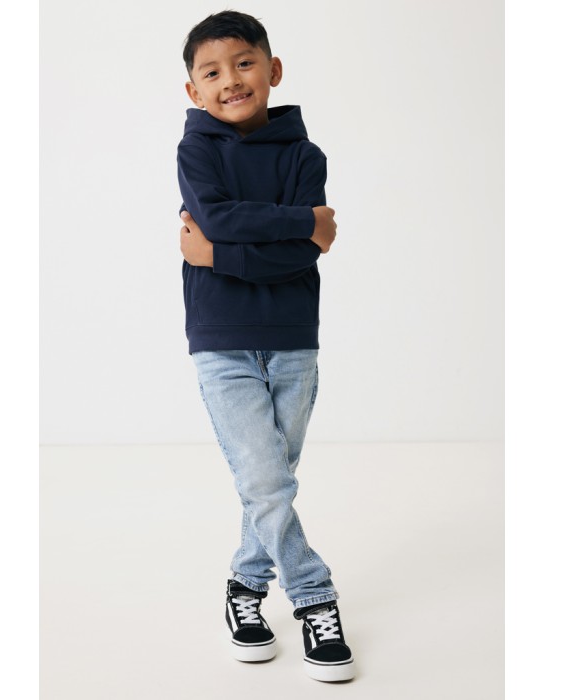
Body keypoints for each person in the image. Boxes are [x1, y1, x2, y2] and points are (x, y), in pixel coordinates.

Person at [176, 10, 355, 683]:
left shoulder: (306, 157)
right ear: (194, 90)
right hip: (221, 342)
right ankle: (314, 597)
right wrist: (301, 223)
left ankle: (245, 587)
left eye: (244, 63)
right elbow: (222, 219)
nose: (231, 80)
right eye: (212, 72)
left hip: (292, 340)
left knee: (270, 483)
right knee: (266, 482)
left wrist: (219, 253)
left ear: (273, 70)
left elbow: (298, 255)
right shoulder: (196, 151)